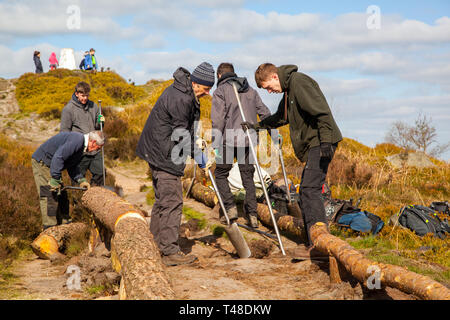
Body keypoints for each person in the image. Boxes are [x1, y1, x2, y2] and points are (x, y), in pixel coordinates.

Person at [242, 63, 343, 259]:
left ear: (273, 77)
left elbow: (321, 112)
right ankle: (315, 240)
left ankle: (319, 245)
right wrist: (257, 126)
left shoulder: (299, 83)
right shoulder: (289, 90)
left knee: (309, 189)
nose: (270, 91)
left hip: (322, 142)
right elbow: (281, 117)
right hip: (318, 142)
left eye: (268, 87)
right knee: (306, 190)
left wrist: (325, 142)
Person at [136, 62, 214, 266]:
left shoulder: (183, 90)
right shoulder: (181, 97)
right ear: (196, 83)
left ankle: (153, 243)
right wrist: (199, 157)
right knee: (172, 202)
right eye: (206, 89)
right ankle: (169, 251)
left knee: (163, 200)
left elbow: (184, 128)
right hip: (164, 154)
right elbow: (181, 134)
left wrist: (195, 140)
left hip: (159, 150)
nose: (207, 94)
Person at [210, 62, 271, 228]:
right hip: (249, 139)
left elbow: (218, 120)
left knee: (221, 174)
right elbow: (265, 114)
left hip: (228, 140)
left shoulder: (220, 91)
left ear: (220, 76)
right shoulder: (251, 91)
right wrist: (271, 135)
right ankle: (252, 215)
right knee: (247, 176)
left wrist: (215, 143)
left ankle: (230, 209)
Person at [32, 130, 105, 229]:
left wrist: (81, 180)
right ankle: (49, 229)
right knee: (49, 196)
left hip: (52, 165)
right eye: (97, 148)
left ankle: (64, 225)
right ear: (93, 142)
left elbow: (72, 166)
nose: (95, 151)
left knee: (62, 195)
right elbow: (58, 157)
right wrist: (55, 178)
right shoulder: (77, 141)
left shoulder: (81, 147)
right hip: (43, 163)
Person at [60, 81, 105, 186]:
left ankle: (94, 198)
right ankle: (77, 202)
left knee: (101, 174)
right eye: (82, 95)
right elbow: (64, 132)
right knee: (77, 179)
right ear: (76, 94)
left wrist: (101, 122)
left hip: (94, 149)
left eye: (87, 95)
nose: (85, 98)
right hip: (79, 151)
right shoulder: (68, 109)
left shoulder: (94, 106)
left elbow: (98, 127)